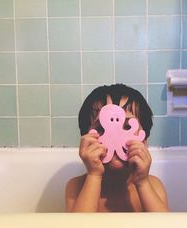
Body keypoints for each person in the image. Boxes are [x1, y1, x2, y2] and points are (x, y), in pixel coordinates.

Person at [65, 84, 169, 212]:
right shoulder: (76, 187)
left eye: (127, 127)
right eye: (100, 128)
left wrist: (142, 183)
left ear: (145, 140)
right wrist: (94, 175)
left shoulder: (152, 185)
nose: (114, 136)